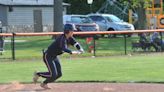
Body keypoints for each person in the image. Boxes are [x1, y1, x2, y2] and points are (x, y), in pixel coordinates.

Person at [33, 24, 84, 89]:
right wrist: (74, 52)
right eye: (72, 31)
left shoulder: (69, 37)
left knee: (59, 74)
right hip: (48, 56)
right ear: (68, 31)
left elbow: (75, 43)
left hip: (54, 56)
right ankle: (38, 74)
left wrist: (80, 49)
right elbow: (64, 49)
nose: (73, 32)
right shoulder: (62, 39)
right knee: (53, 74)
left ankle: (44, 83)